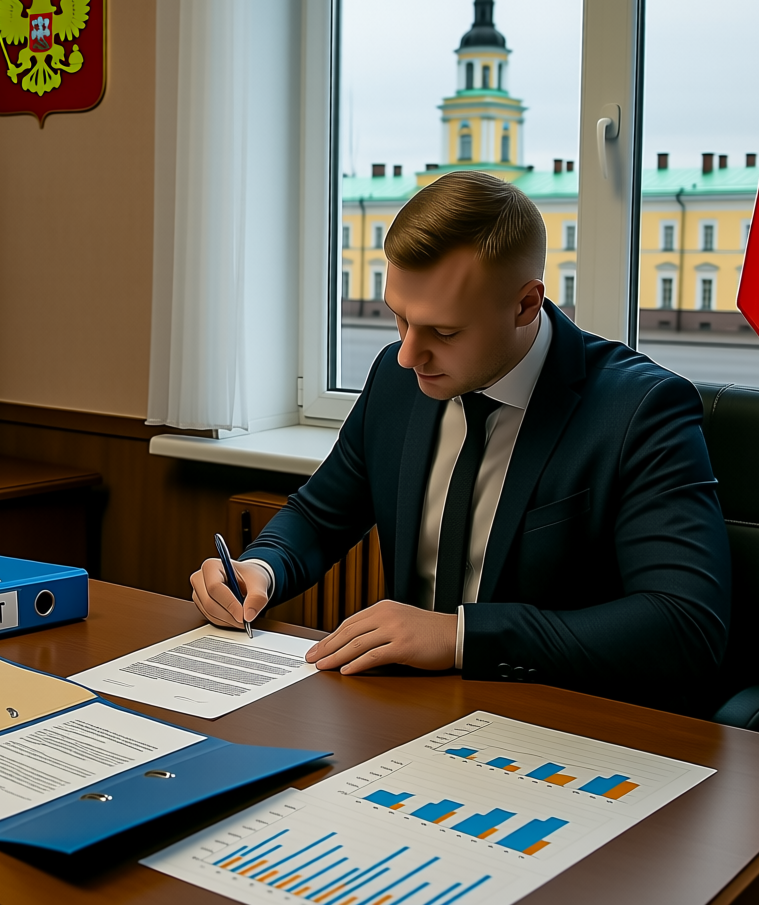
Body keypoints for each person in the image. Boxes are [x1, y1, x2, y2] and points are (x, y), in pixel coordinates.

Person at [190, 170, 731, 713]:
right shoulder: (397, 378)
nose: (408, 354)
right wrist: (260, 568)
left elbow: (684, 626)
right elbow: (320, 516)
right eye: (399, 318)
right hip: (410, 709)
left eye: (444, 332)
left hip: (564, 718)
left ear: (526, 305)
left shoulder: (640, 409)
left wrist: (460, 637)